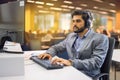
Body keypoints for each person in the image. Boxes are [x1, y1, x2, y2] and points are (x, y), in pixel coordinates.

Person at [38, 10, 109, 77]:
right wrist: (49, 53)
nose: (74, 24)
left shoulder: (100, 38)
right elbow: (56, 47)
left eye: (78, 21)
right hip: (71, 70)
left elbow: (96, 62)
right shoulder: (71, 36)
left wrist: (71, 62)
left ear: (87, 23)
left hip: (88, 75)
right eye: (73, 21)